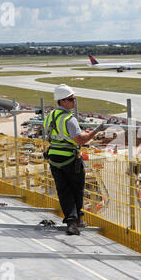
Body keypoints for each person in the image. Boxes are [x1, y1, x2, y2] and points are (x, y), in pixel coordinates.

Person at [44, 84, 107, 236]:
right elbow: (80, 140)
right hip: (70, 159)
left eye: (74, 99)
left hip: (54, 158)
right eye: (71, 99)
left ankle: (73, 220)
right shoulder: (68, 119)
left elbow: (48, 136)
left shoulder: (49, 116)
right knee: (76, 189)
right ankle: (75, 221)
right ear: (62, 101)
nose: (74, 102)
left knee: (64, 190)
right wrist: (96, 131)